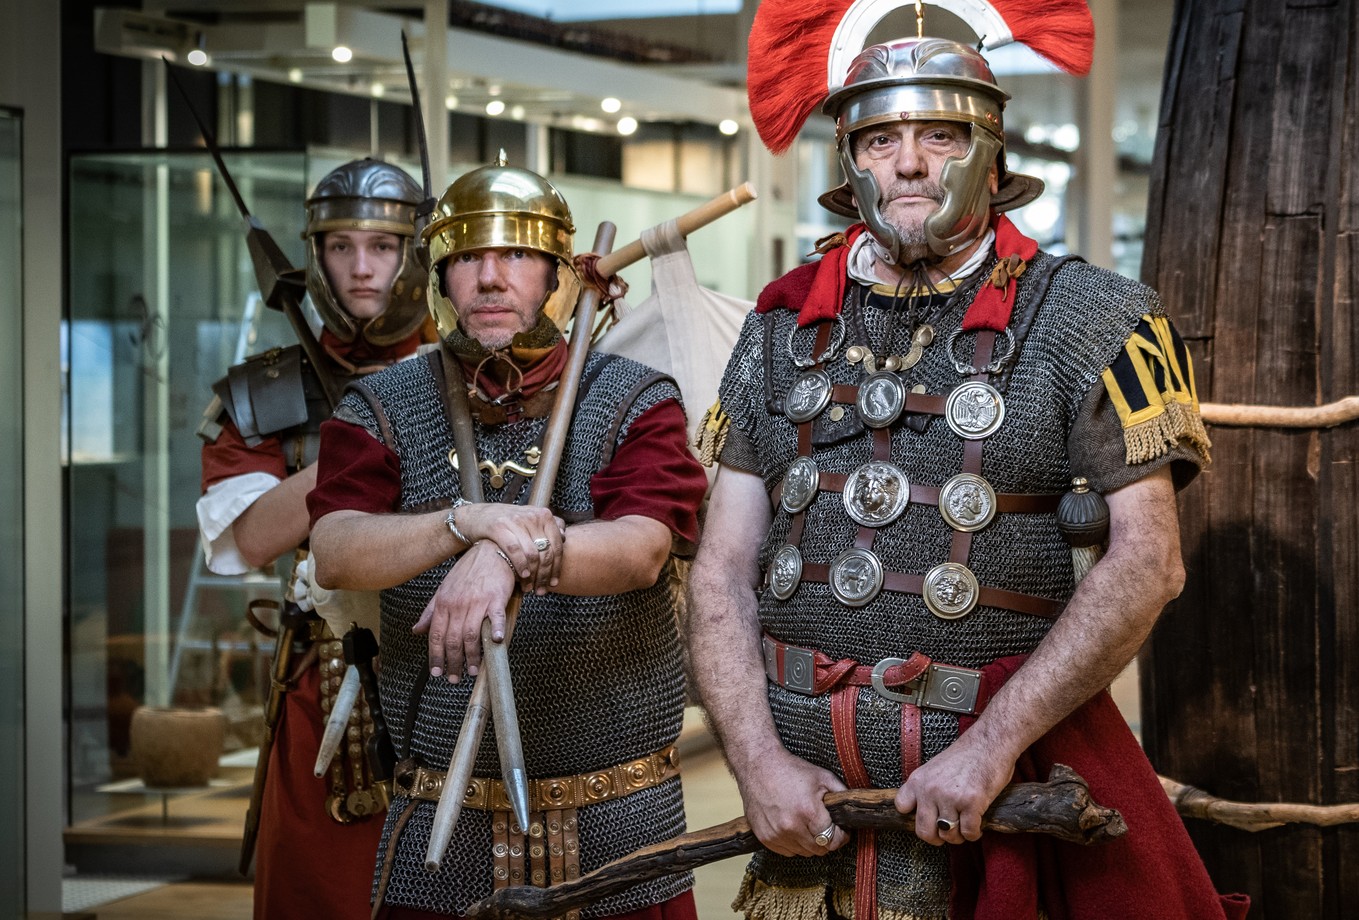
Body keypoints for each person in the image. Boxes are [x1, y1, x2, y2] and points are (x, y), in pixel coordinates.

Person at [688, 5, 1245, 919]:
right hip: (803, 810)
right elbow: (719, 574)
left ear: (991, 147)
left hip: (1000, 804)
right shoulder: (780, 327)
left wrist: (989, 748)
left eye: (939, 134)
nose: (909, 162)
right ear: (850, 159)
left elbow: (1149, 562)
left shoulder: (1093, 317)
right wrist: (755, 766)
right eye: (881, 138)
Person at [306, 155, 708, 920]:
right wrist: (468, 522)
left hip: (617, 814)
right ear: (442, 276)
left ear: (555, 271)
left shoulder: (631, 398)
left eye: (517, 255)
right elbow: (336, 547)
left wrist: (505, 557)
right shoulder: (383, 404)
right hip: (442, 819)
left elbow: (640, 548)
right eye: (469, 259)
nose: (492, 279)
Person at [195, 157, 430, 920]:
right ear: (313, 254)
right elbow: (254, 537)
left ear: (415, 253)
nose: (362, 268)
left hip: (456, 656)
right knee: (321, 891)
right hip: (327, 683)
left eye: (383, 246)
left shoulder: (472, 368)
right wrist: (373, 428)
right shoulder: (265, 390)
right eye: (340, 246)